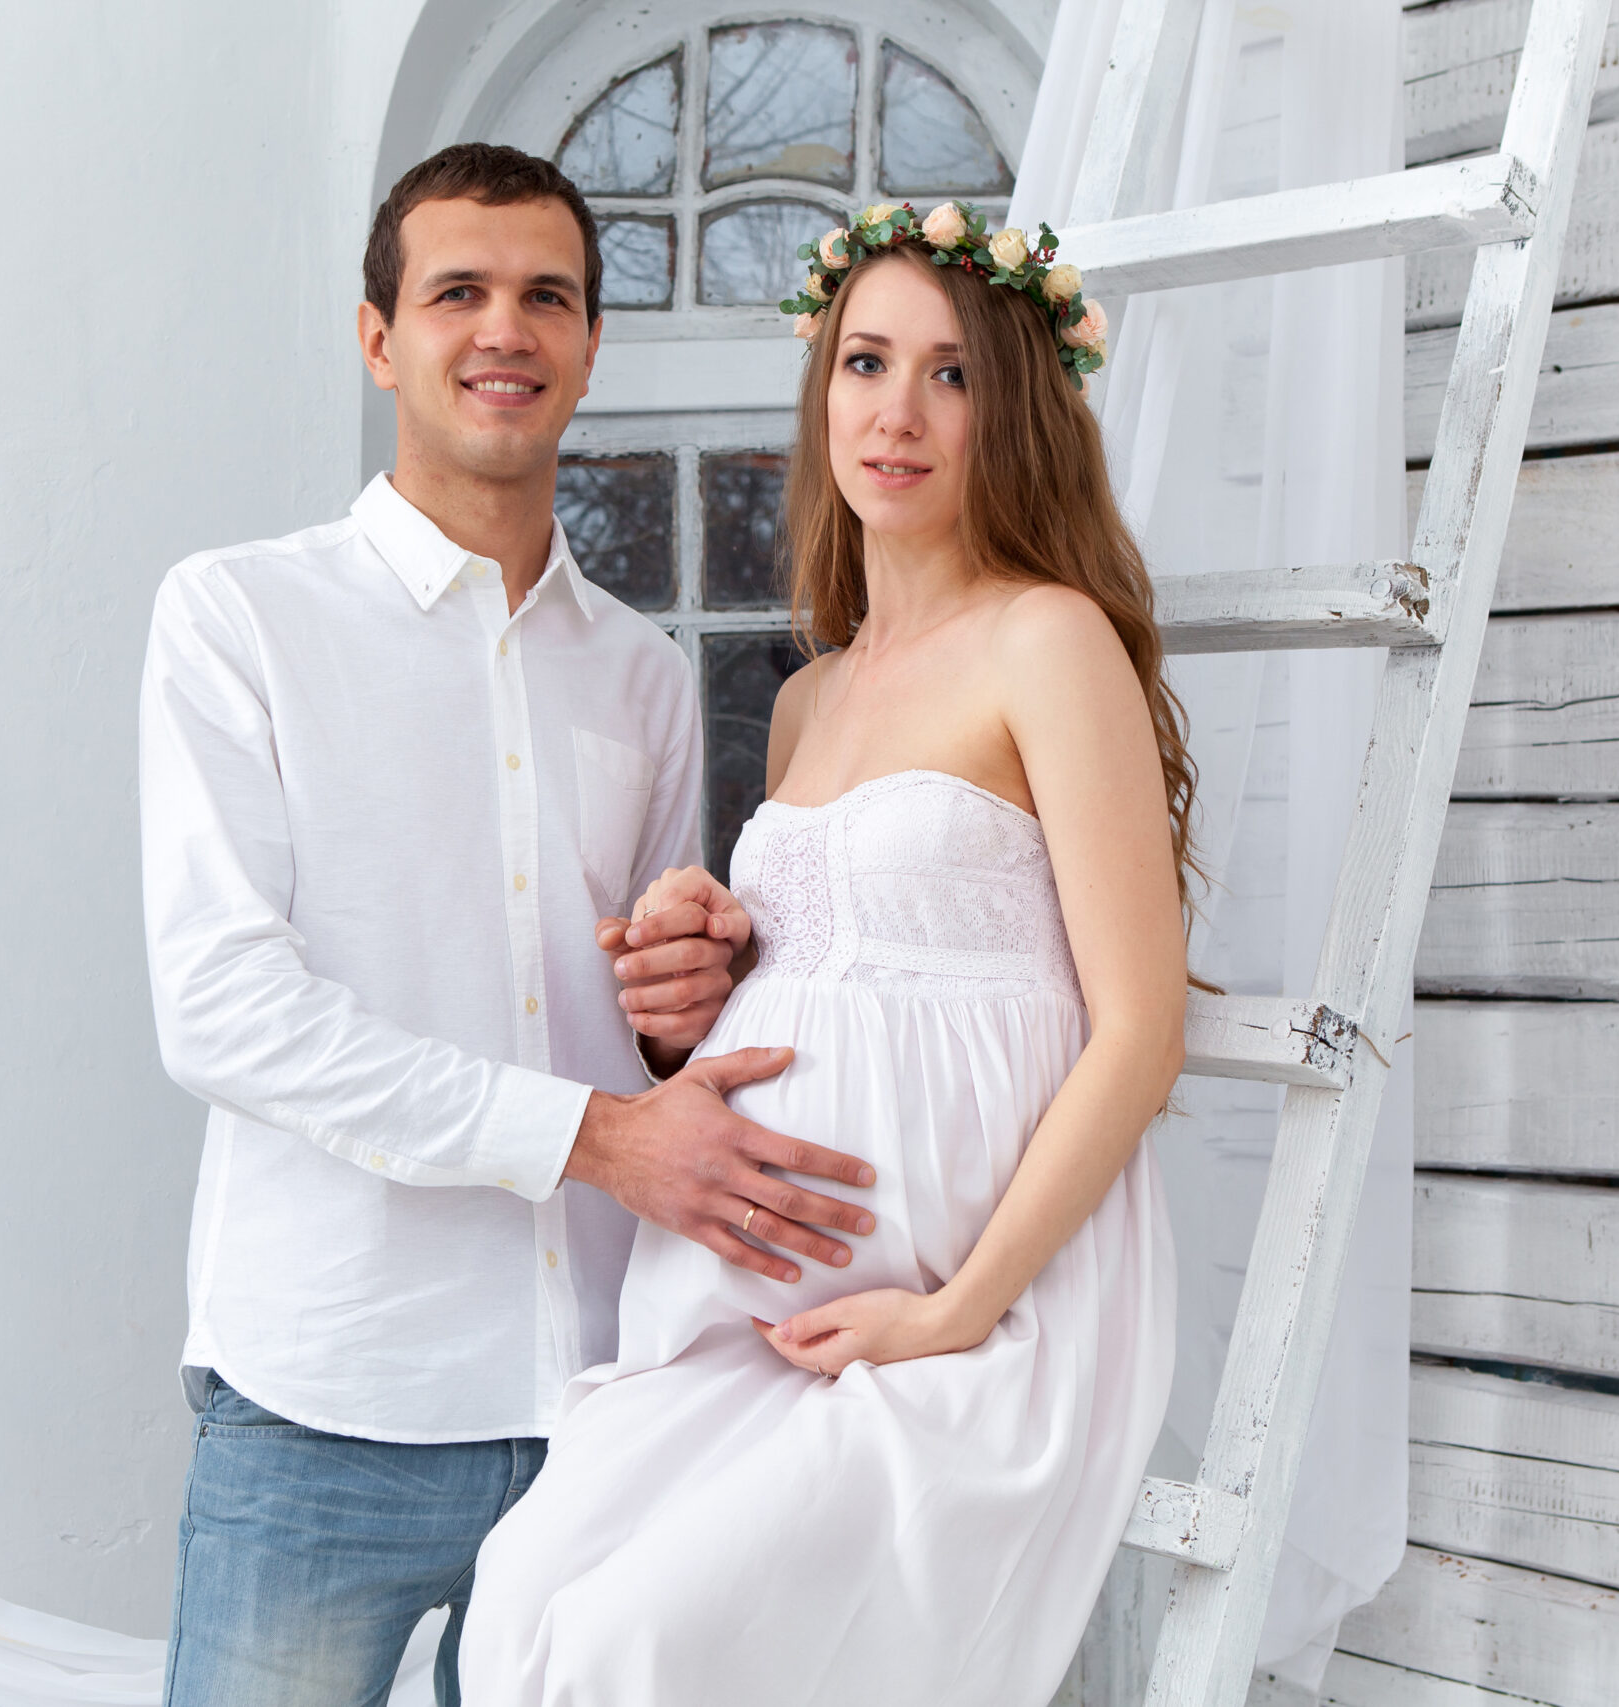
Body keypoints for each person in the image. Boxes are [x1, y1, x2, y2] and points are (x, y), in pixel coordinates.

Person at [136, 143, 879, 1707]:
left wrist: (693, 993)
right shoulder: (237, 615)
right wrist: (600, 1136)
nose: (505, 329)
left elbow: (649, 1022)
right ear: (376, 337)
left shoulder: (642, 674)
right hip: (323, 1394)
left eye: (547, 296)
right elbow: (222, 1008)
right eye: (456, 290)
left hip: (598, 1403)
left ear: (592, 345)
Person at [459, 203, 1194, 1706]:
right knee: (516, 1605)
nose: (899, 412)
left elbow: (1141, 1031)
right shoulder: (811, 698)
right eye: (866, 361)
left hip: (975, 1307)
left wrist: (954, 1312)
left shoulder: (1048, 642)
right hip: (748, 1298)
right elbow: (835, 973)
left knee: (629, 1644)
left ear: (1018, 410)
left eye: (951, 374)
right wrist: (702, 966)